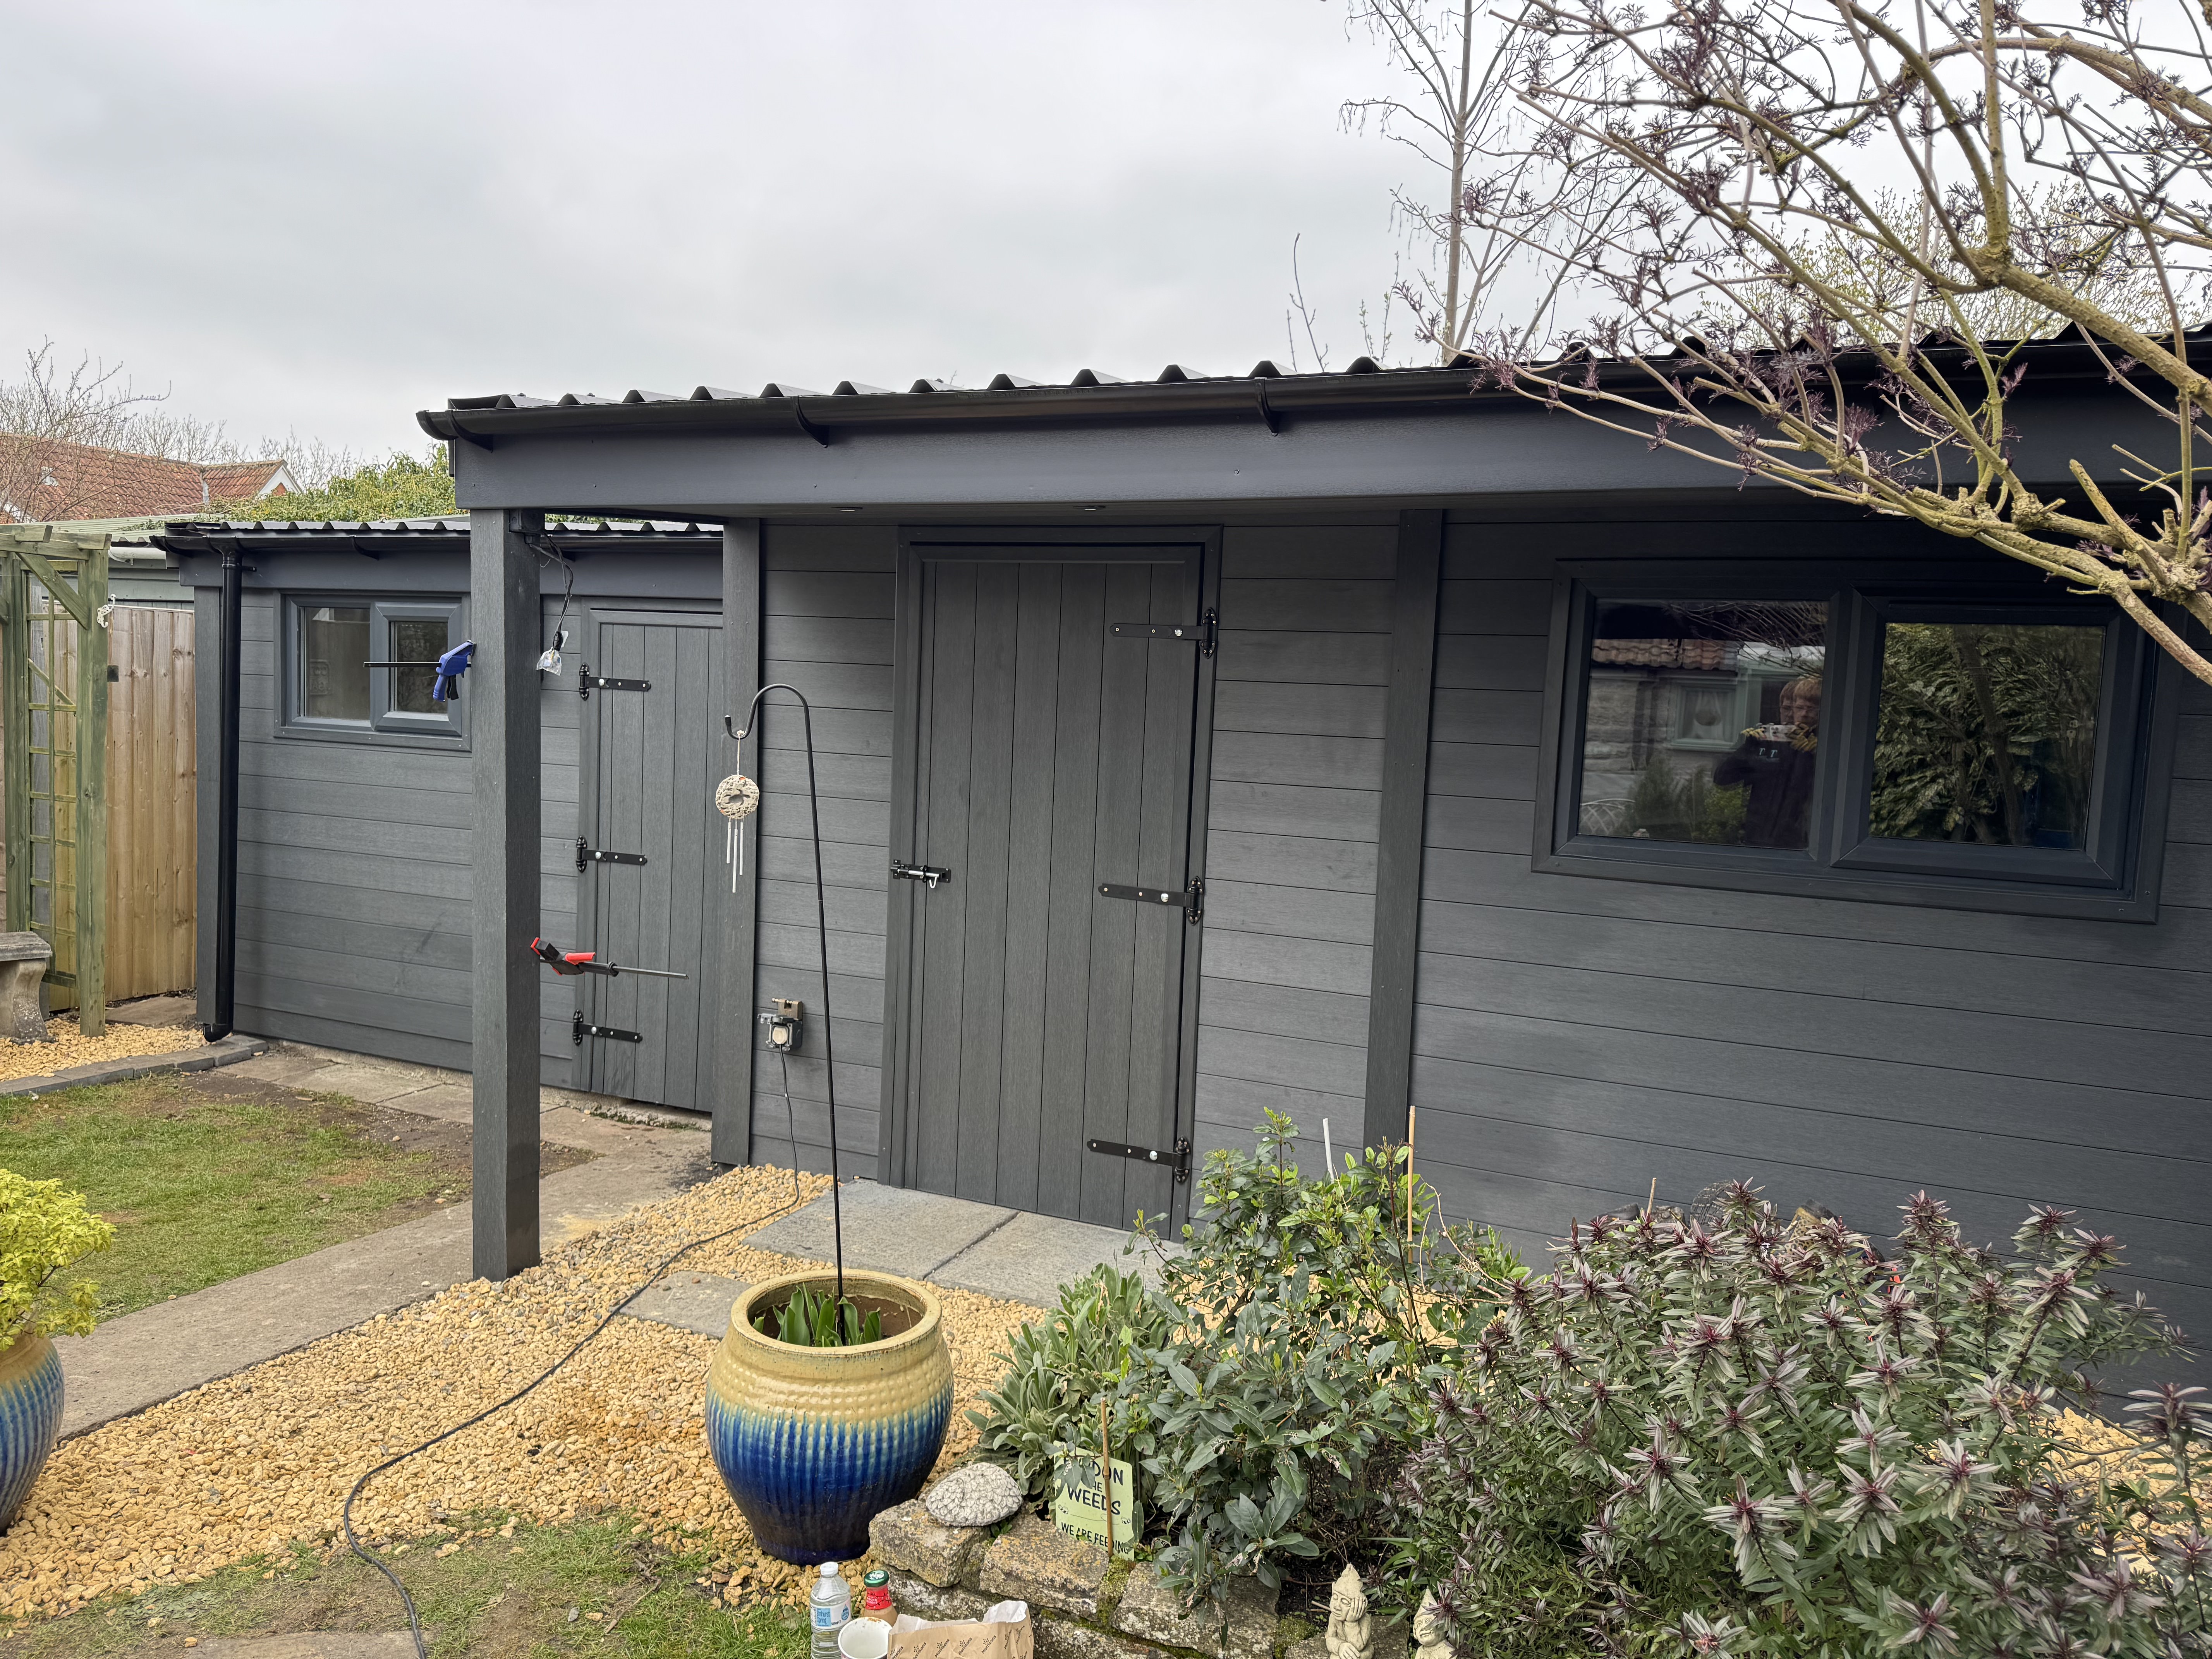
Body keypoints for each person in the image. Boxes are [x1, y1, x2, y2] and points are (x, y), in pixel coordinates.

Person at [1714, 675, 1820, 847]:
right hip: (1758, 840)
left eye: (1811, 709)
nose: (1800, 715)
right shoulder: (1768, 740)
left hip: (1802, 845)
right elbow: (1722, 779)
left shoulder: (1824, 745)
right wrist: (1748, 748)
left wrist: (1814, 753)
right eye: (1796, 708)